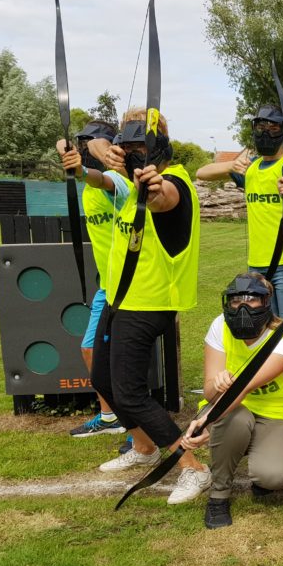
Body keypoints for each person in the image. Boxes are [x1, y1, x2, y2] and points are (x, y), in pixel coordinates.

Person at [87, 108, 211, 504]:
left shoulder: (173, 182)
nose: (134, 154)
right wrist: (93, 156)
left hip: (150, 301)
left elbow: (163, 198)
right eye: (128, 146)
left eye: (142, 146)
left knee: (129, 392)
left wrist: (151, 185)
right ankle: (144, 447)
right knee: (103, 380)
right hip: (121, 297)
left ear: (160, 147)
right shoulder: (126, 184)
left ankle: (192, 467)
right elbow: (96, 159)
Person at [181, 272, 283, 529]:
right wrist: (216, 386)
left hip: (278, 411)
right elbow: (208, 393)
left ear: (266, 302)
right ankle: (219, 495)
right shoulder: (219, 326)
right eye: (236, 301)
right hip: (233, 409)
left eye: (252, 300)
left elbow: (245, 386)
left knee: (272, 477)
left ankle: (257, 448)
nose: (243, 307)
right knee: (236, 419)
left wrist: (205, 421)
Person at [196, 105, 283, 335]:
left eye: (273, 127)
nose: (266, 133)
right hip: (258, 262)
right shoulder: (251, 169)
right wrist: (231, 165)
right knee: (264, 327)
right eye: (261, 127)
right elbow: (202, 172)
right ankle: (273, 371)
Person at [57, 120, 130, 438]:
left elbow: (105, 178)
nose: (84, 148)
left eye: (90, 142)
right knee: (90, 349)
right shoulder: (88, 185)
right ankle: (110, 415)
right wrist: (69, 147)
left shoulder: (116, 178)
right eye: (81, 142)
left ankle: (132, 426)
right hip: (107, 283)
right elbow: (63, 145)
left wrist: (95, 155)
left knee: (123, 357)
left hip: (129, 283)